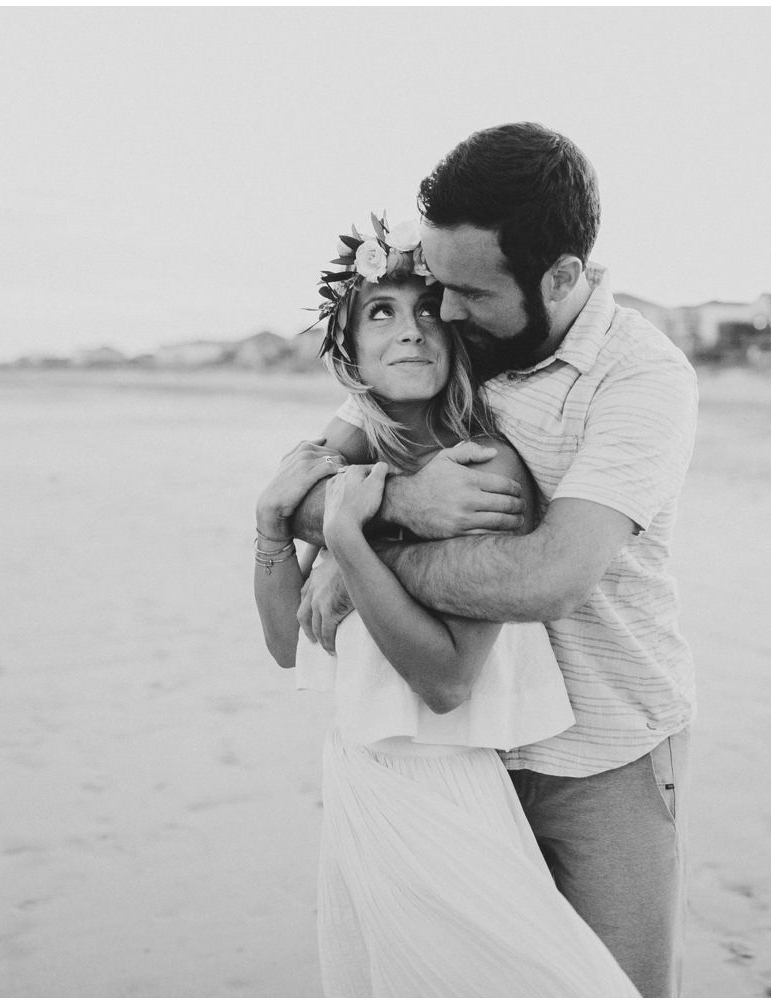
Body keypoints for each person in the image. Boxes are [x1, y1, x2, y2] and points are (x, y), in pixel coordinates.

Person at [289, 123, 699, 998]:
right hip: (465, 757)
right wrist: (384, 504)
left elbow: (549, 578)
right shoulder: (460, 330)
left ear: (559, 277)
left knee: (613, 989)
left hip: (604, 749)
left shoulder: (640, 380)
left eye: (468, 291)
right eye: (437, 284)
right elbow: (303, 476)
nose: (441, 314)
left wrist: (364, 547)